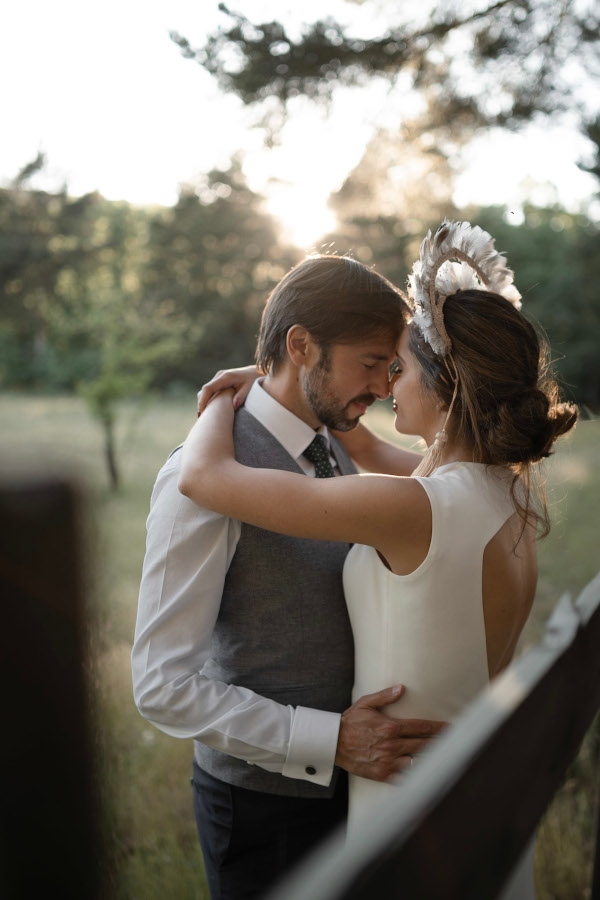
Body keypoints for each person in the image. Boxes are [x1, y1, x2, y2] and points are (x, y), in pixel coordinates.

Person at [179, 221, 578, 898]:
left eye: (402, 368)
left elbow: (205, 480)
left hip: (412, 807)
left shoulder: (410, 508)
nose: (390, 383)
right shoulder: (497, 490)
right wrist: (282, 373)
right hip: (475, 794)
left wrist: (221, 399)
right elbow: (364, 445)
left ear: (446, 387)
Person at [131, 254, 445, 900]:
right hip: (263, 817)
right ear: (302, 345)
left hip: (352, 792)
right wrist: (331, 740)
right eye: (370, 364)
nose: (385, 388)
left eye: (392, 369)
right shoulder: (200, 477)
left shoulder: (331, 440)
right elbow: (160, 684)